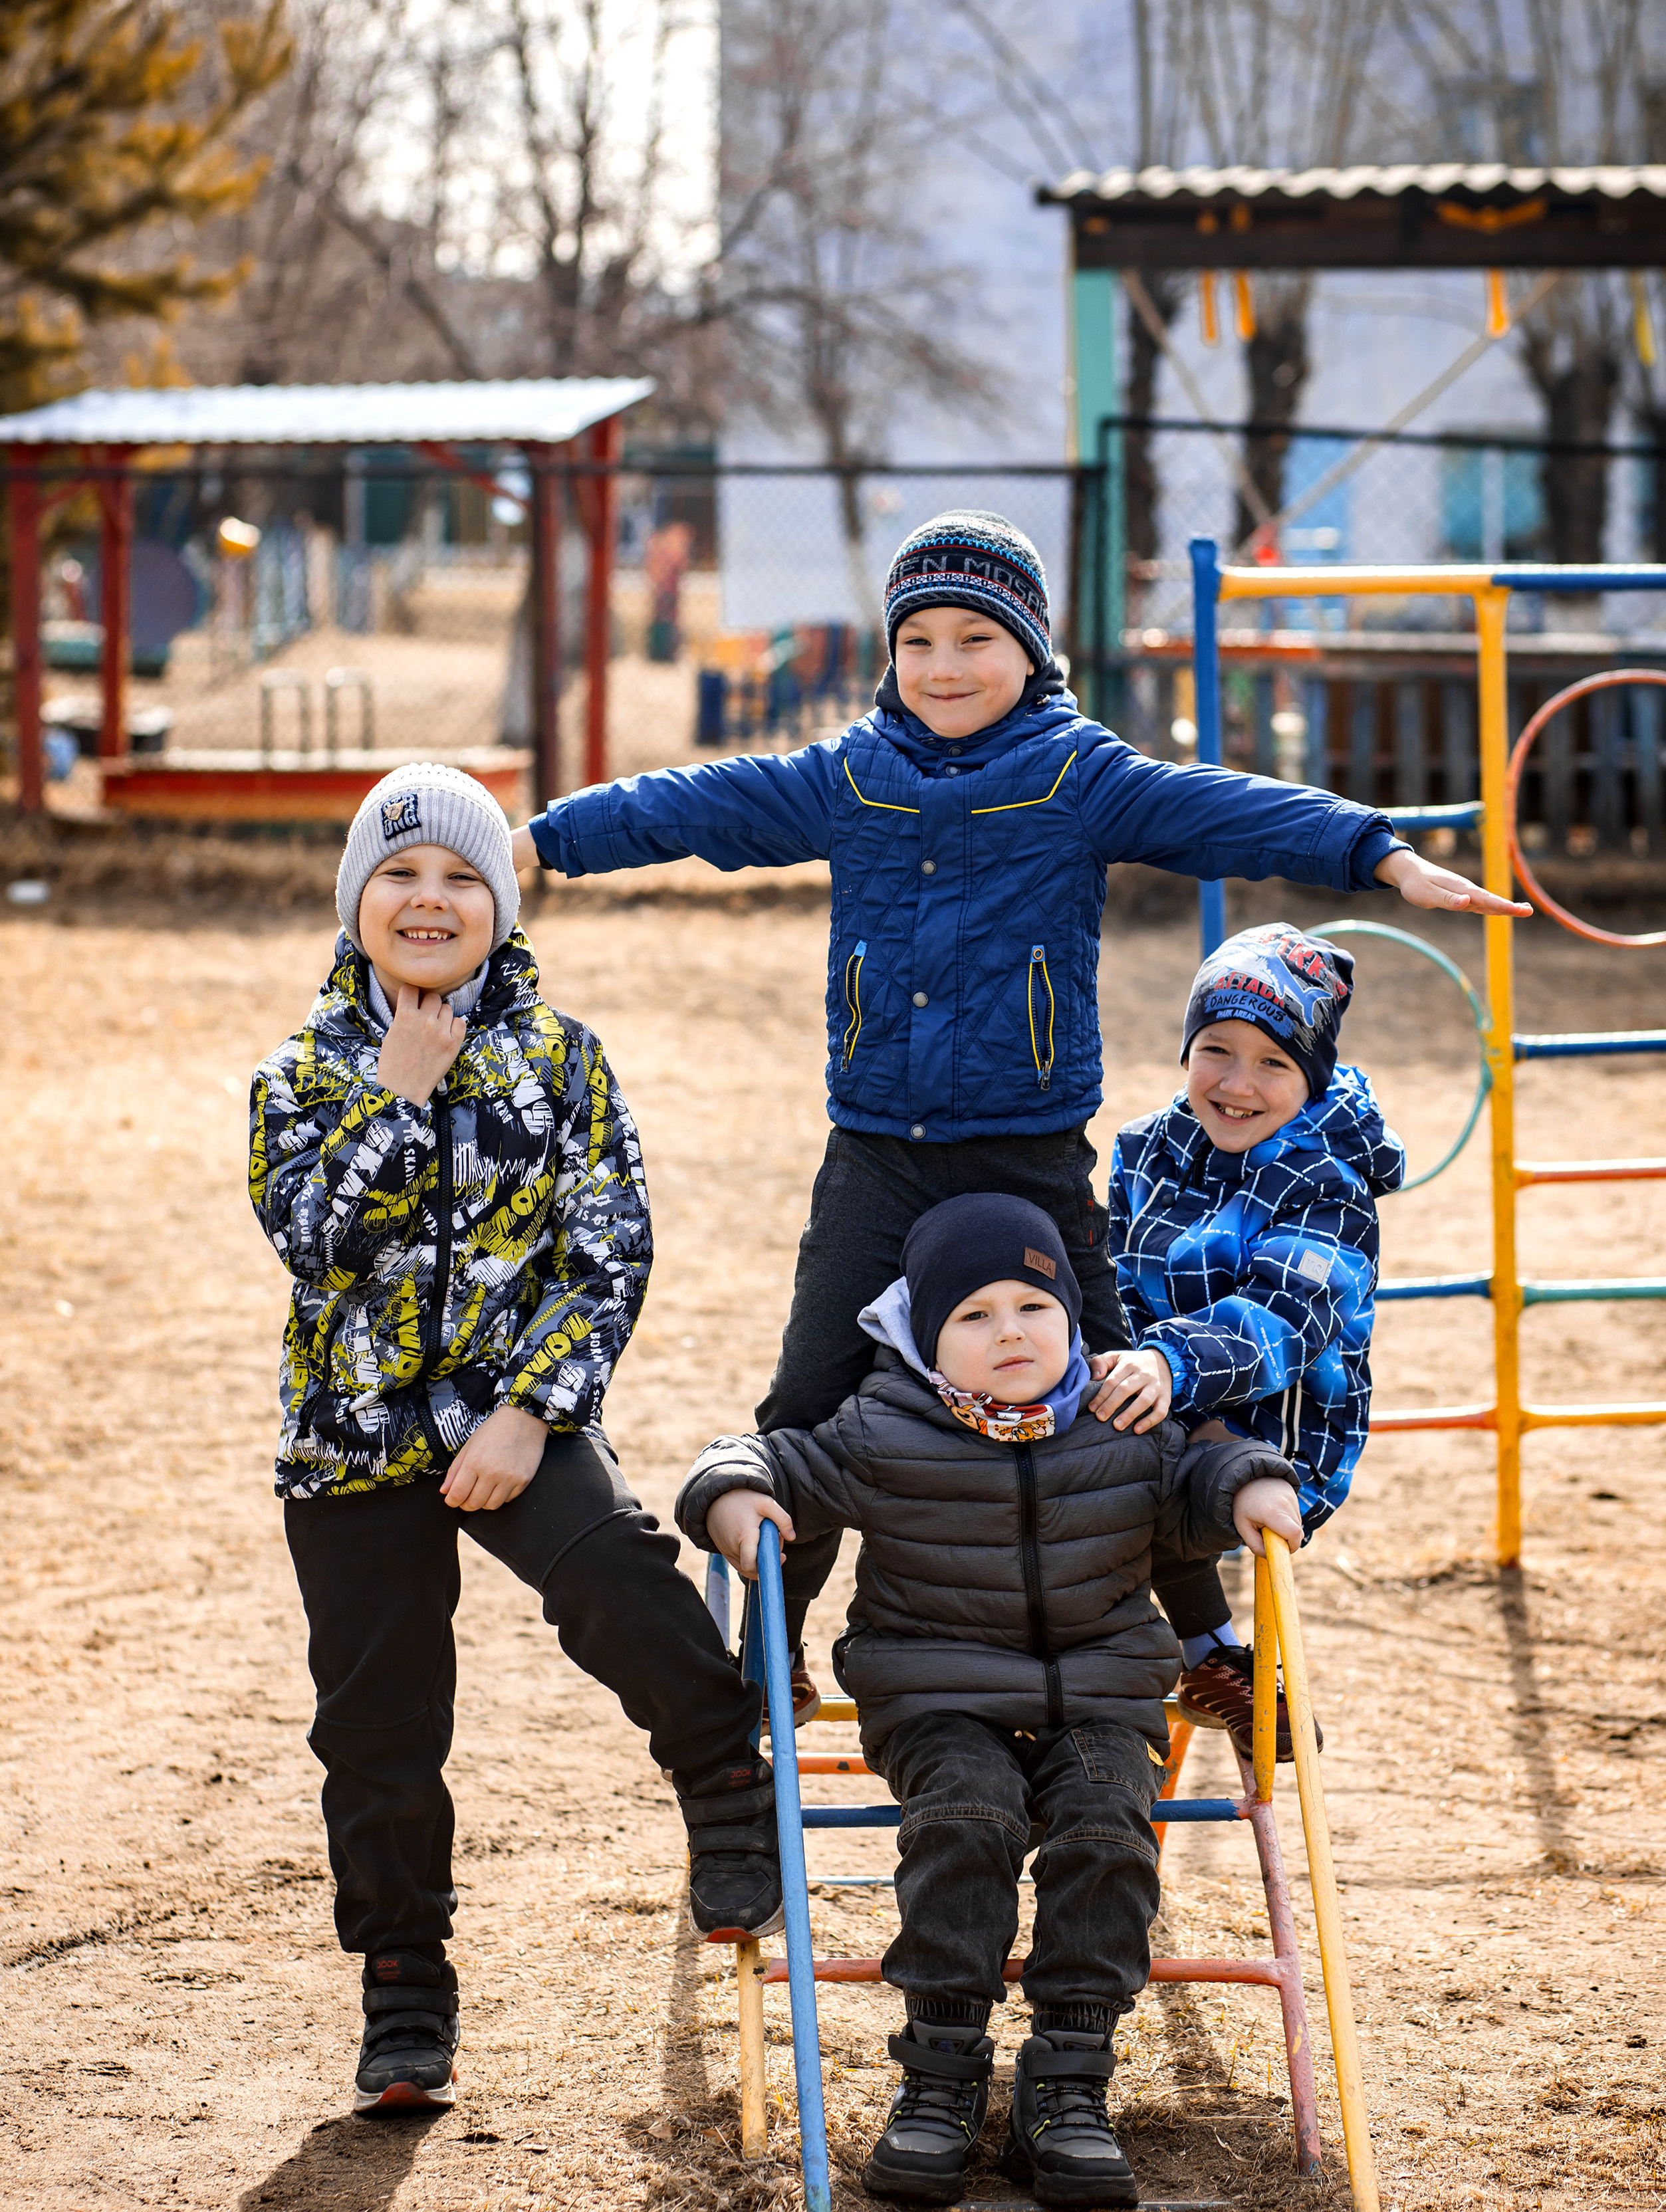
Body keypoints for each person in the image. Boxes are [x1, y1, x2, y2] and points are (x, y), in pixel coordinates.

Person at [510, 509, 1525, 1700]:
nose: (944, 666)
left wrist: (1377, 852)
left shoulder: (1076, 776)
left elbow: (1220, 807)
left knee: (1108, 1384)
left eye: (976, 639)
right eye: (920, 640)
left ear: (1032, 652)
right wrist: (539, 840)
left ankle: (1203, 1644)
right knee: (810, 1394)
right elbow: (696, 806)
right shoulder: (848, 778)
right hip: (878, 1151)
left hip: (1028, 1147)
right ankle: (769, 1663)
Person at [249, 764, 780, 2119]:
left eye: (460, 876)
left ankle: (723, 1781)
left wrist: (531, 1409)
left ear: (501, 902)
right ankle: (404, 1988)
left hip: (512, 1407)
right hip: (355, 1434)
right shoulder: (301, 1074)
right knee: (376, 1721)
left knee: (613, 1570)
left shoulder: (563, 1059)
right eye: (400, 873)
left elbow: (607, 1252)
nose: (429, 899)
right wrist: (395, 1094)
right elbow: (315, 1246)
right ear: (355, 899)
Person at [675, 1191, 1302, 2207]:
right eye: (972, 1315)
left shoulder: (1118, 1417)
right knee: (965, 1821)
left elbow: (1194, 1477)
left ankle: (1066, 2082)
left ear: (1071, 1319)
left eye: (1033, 1306)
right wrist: (730, 1491)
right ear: (925, 1336)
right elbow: (766, 1455)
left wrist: (1247, 1483)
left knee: (1107, 1829)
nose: (1009, 1330)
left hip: (1097, 1693)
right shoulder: (885, 1426)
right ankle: (940, 2072)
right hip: (938, 1692)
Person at [1093, 924, 1404, 1761]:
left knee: (1116, 1477)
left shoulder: (1328, 1183)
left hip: (1279, 1427)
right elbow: (1113, 1278)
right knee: (1044, 1454)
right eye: (1215, 1049)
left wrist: (1168, 1365)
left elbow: (1286, 1317)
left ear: (1312, 1075)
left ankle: (1204, 1654)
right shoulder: (1144, 1149)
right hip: (1159, 1399)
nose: (1236, 1083)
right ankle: (1134, 1673)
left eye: (1274, 1063)